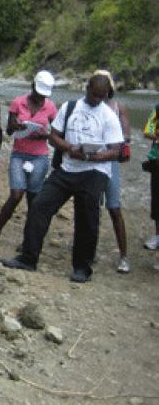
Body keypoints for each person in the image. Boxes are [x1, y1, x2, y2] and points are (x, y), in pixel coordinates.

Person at [0, 72, 124, 282]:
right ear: (87, 89)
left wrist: (94, 156)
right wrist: (70, 148)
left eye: (101, 97)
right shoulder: (70, 107)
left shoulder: (109, 116)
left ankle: (82, 268)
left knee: (87, 217)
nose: (96, 100)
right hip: (68, 167)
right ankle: (28, 258)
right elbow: (54, 136)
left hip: (95, 171)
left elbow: (116, 151)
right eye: (93, 95)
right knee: (40, 204)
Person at [0, 71, 57, 245]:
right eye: (39, 92)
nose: (40, 97)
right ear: (33, 86)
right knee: (16, 194)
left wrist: (44, 135)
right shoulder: (18, 102)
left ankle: (28, 241)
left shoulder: (51, 107)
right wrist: (17, 126)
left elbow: (57, 132)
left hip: (39, 156)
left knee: (34, 199)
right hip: (19, 154)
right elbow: (9, 130)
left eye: (43, 94)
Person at [95, 70, 131, 273]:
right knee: (92, 207)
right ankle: (90, 249)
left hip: (110, 163)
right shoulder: (86, 106)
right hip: (91, 162)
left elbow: (126, 135)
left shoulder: (118, 108)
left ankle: (124, 256)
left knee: (114, 207)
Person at [143, 104, 159, 250]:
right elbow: (148, 131)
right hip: (157, 160)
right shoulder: (158, 109)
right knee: (157, 198)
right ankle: (157, 236)